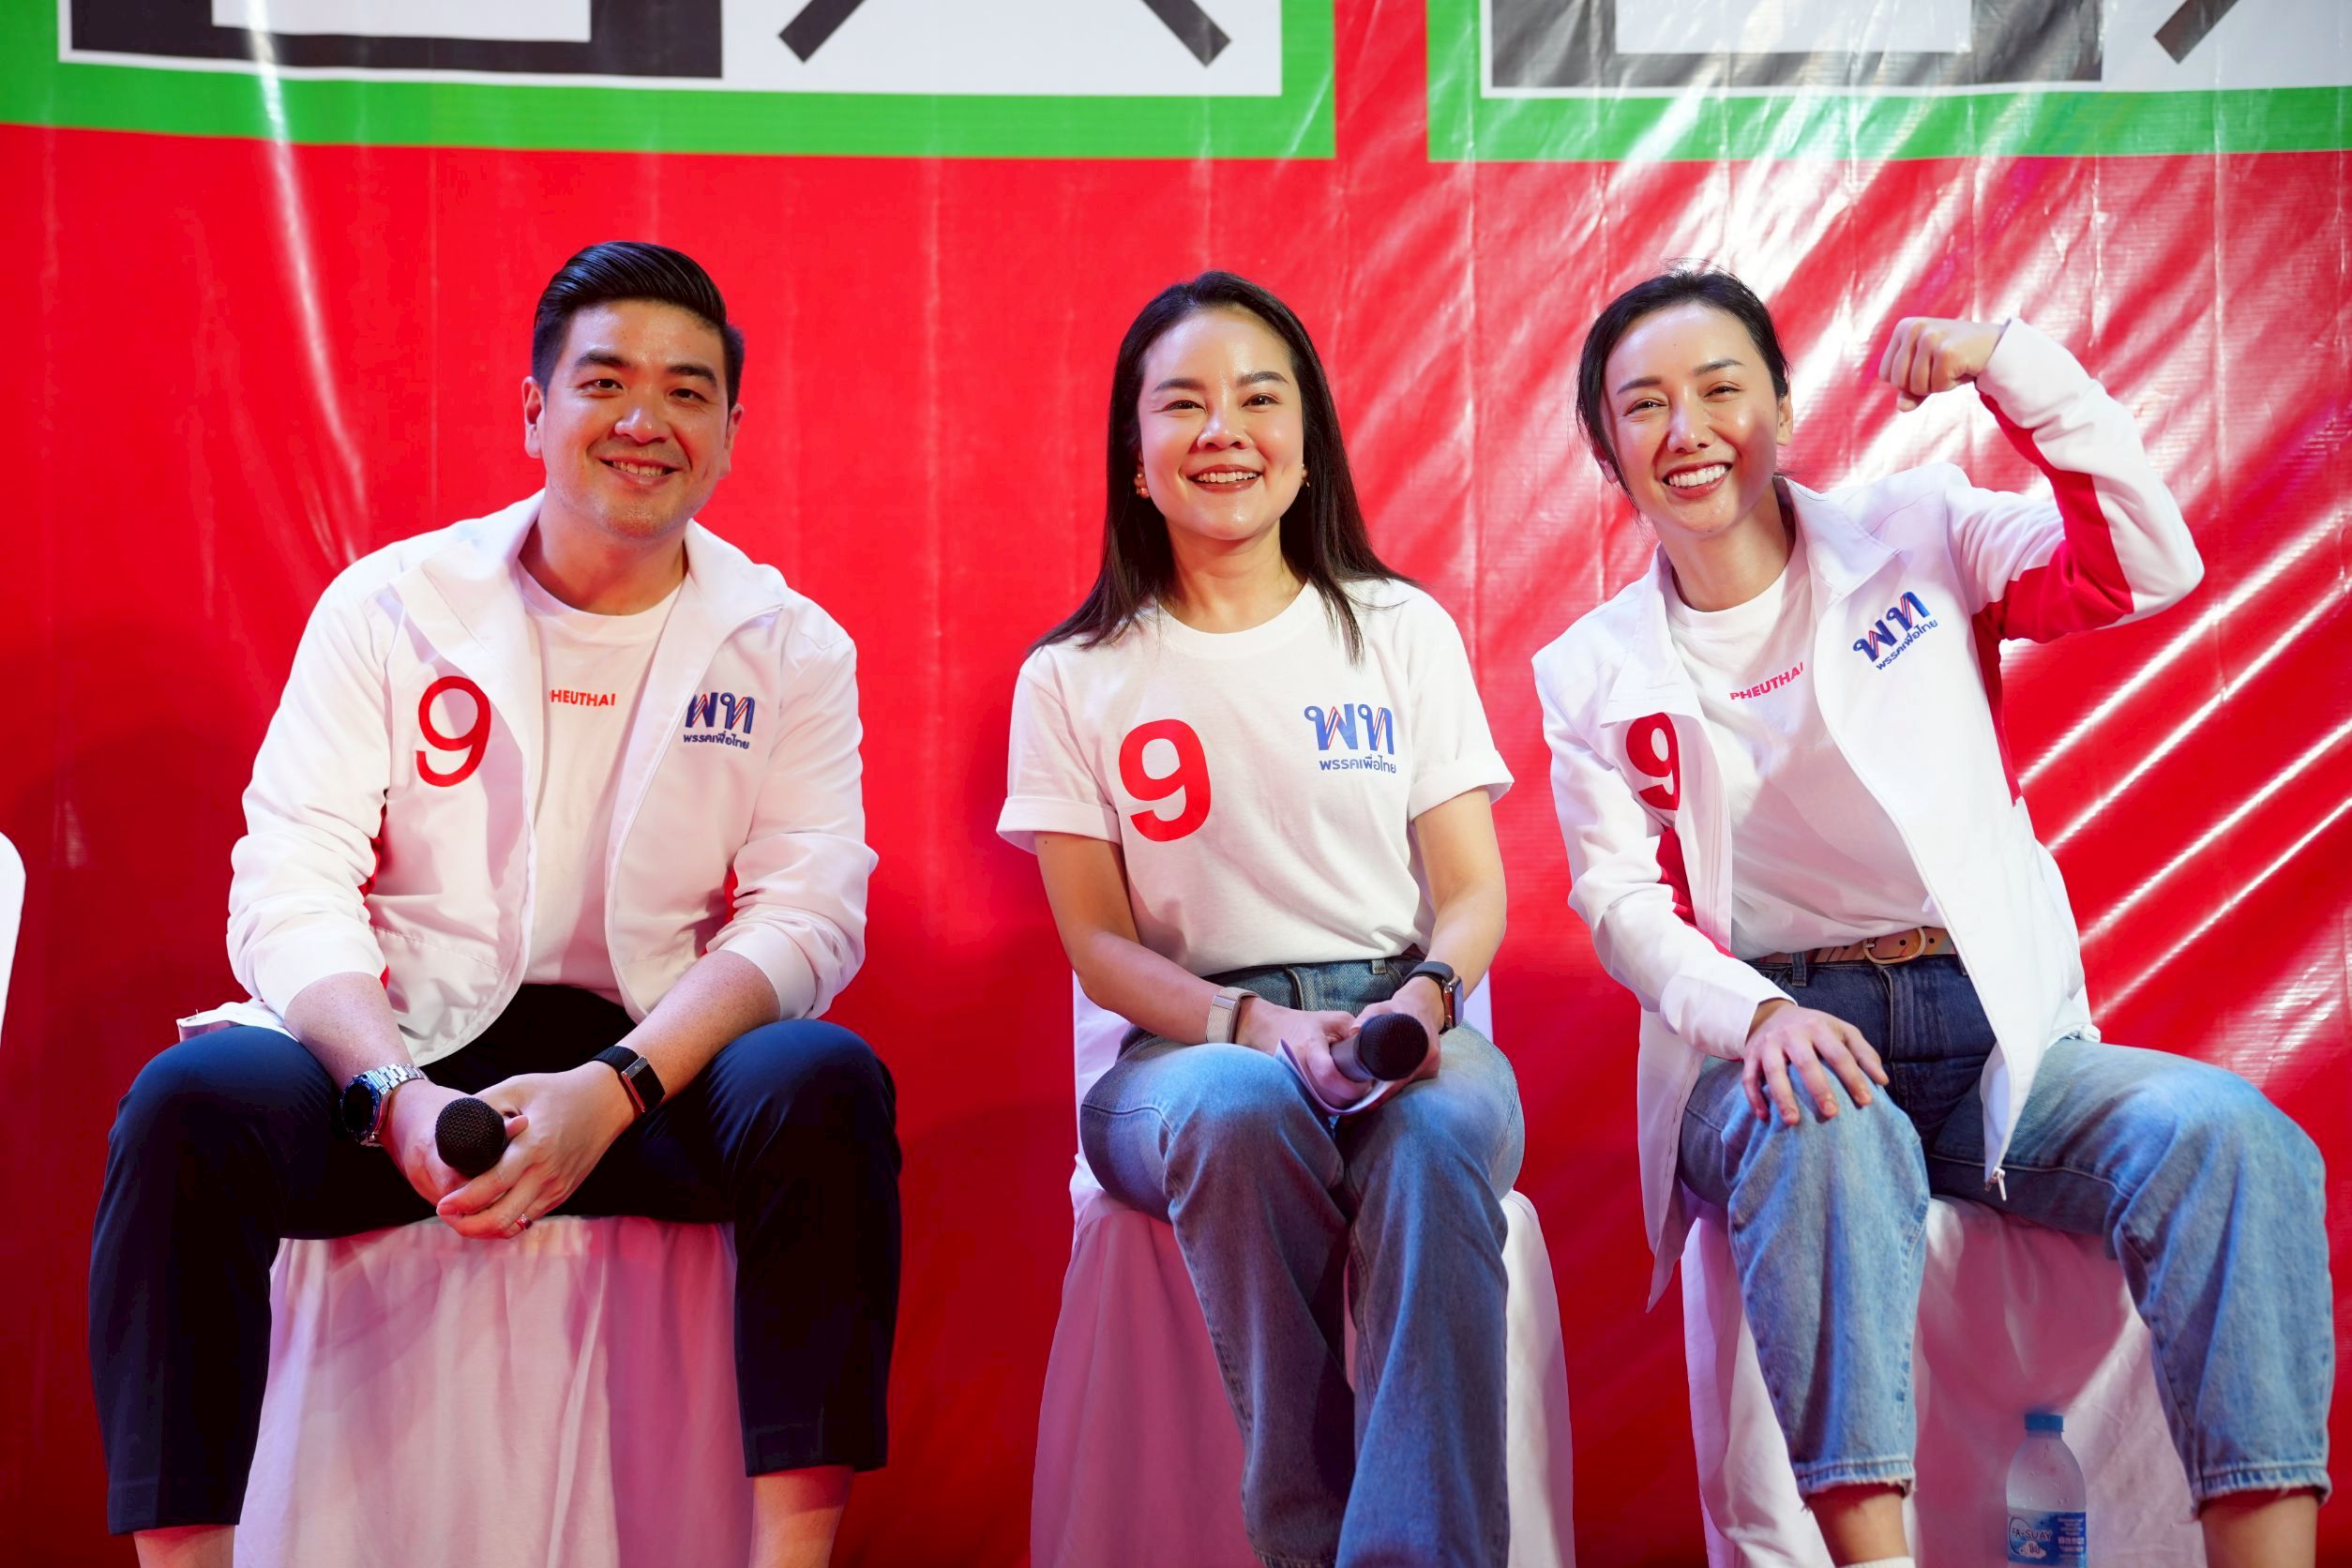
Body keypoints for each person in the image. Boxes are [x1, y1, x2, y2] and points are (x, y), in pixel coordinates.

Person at [88, 241, 900, 1568]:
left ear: (730, 433)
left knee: (824, 1085)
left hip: (651, 1068)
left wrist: (619, 1089)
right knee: (187, 1109)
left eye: (688, 392)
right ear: (533, 410)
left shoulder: (790, 643)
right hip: (410, 1051)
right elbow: (291, 876)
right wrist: (390, 1097)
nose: (645, 420)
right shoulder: (390, 606)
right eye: (606, 382)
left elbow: (808, 913)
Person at [1532, 266, 2331, 1568]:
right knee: (1827, 1131)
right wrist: (1760, 1017)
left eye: (1722, 388)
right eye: (1644, 406)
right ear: (1606, 448)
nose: (1689, 430)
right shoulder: (1590, 671)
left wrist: (2014, 364)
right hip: (1783, 1038)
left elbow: (2147, 564)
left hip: (1992, 1029)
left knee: (2233, 1143)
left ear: (1781, 406)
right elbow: (1619, 900)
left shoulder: (1920, 532)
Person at [999, 270, 1523, 1568]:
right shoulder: (1071, 677)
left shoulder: (1400, 631)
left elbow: (1472, 891)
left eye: (1258, 399)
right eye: (1182, 403)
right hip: (1186, 1054)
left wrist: (1422, 1005)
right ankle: (1309, 1540)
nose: (1223, 429)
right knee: (1240, 1111)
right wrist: (1252, 1031)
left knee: (1435, 1136)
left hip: (1403, 1016)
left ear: (1306, 444)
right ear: (1134, 457)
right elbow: (1097, 947)